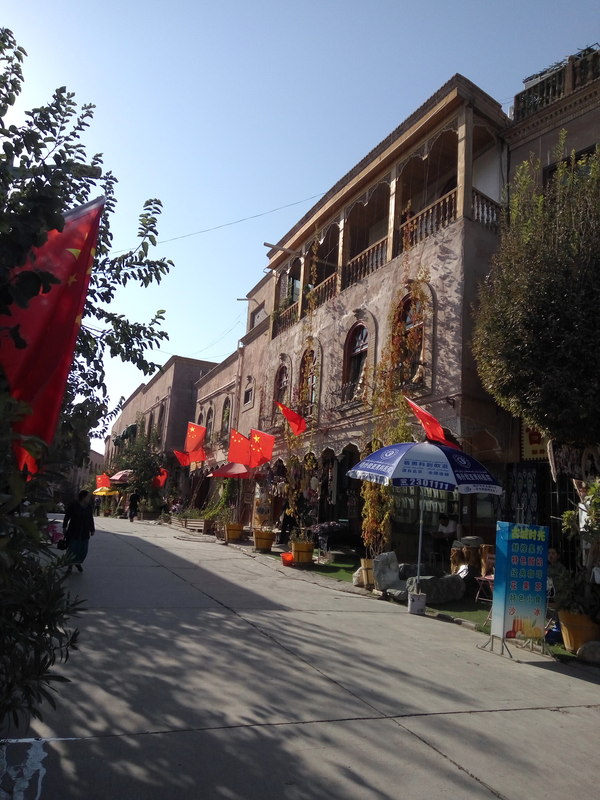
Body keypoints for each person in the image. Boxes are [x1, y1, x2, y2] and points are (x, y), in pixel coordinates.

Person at [63, 490, 95, 572]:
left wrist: (92, 529)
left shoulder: (89, 507)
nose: (89, 498)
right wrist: (64, 527)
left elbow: (90, 519)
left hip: (85, 531)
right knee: (73, 548)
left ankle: (78, 562)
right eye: (88, 496)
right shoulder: (73, 505)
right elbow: (67, 516)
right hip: (74, 530)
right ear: (83, 497)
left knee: (83, 549)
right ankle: (70, 565)